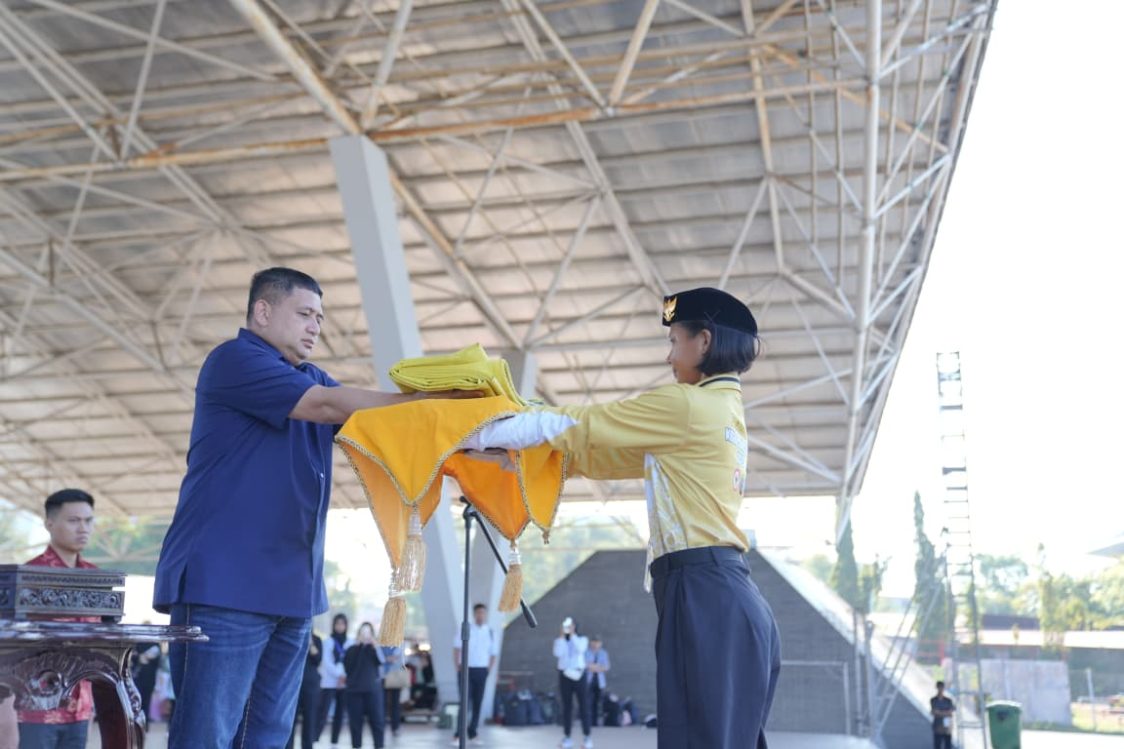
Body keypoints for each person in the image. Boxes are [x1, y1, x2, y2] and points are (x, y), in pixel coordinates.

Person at [152, 268, 474, 748]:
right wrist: (430, 403)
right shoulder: (235, 360)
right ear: (262, 311)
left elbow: (381, 432)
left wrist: (478, 437)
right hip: (225, 586)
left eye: (320, 318)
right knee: (207, 737)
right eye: (304, 313)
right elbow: (326, 406)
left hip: (293, 594)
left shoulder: (312, 378)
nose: (315, 327)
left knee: (268, 737)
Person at [462, 287, 782, 749]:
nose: (670, 356)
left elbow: (583, 423)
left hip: (703, 593)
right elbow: (599, 458)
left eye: (675, 341)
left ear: (704, 342)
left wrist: (479, 431)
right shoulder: (722, 411)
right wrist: (509, 454)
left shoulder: (687, 406)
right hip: (724, 594)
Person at [17, 488, 99, 749]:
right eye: (73, 520)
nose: (83, 528)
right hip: (34, 708)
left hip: (82, 707)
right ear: (49, 524)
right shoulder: (27, 577)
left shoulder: (97, 578)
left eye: (88, 520)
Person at [451, 603, 496, 746]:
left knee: (478, 702)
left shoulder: (490, 632)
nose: (480, 615)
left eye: (483, 613)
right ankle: (458, 734)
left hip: (481, 670)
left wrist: (488, 669)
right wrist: (457, 666)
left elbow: (493, 654)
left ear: (486, 614)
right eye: (478, 613)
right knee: (464, 702)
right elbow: (457, 649)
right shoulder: (465, 628)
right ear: (474, 614)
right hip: (466, 670)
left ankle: (473, 732)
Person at [344, 623, 386, 749]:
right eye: (363, 632)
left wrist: (375, 646)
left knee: (377, 722)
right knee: (355, 724)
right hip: (354, 691)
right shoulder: (352, 649)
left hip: (373, 691)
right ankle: (356, 746)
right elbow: (348, 667)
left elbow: (382, 661)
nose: (366, 636)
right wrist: (358, 646)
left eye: (368, 633)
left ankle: (379, 746)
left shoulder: (375, 649)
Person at [553, 617, 592, 749]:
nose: (568, 628)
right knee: (567, 707)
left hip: (579, 674)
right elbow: (557, 653)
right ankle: (567, 736)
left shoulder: (582, 639)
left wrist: (572, 635)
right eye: (566, 626)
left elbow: (580, 649)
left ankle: (587, 737)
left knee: (584, 706)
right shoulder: (560, 640)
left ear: (575, 627)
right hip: (565, 675)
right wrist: (562, 637)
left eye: (571, 626)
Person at [318, 613, 350, 746]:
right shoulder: (328, 641)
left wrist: (344, 676)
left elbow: (350, 661)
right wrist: (339, 675)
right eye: (337, 623)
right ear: (334, 625)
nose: (340, 626)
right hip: (329, 682)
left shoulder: (350, 642)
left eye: (342, 624)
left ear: (346, 626)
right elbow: (326, 661)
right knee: (323, 712)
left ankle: (334, 741)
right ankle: (315, 737)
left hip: (344, 683)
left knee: (340, 713)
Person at [287, 630, 322, 749]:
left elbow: (318, 659)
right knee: (290, 719)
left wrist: (311, 643)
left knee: (310, 718)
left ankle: (307, 746)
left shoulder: (317, 640)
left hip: (311, 686)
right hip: (294, 684)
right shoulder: (293, 635)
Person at [132, 641, 163, 731]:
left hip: (149, 679)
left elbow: (157, 660)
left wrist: (142, 657)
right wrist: (140, 657)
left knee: (146, 701)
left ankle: (144, 725)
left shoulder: (155, 644)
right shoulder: (138, 643)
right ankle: (136, 725)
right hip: (138, 678)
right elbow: (133, 656)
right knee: (137, 702)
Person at [584, 636, 610, 727]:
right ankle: (588, 721)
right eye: (594, 642)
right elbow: (585, 665)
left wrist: (593, 667)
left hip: (600, 681)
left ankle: (595, 722)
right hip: (588, 681)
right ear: (590, 643)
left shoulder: (603, 653)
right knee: (588, 702)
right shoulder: (586, 652)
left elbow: (606, 667)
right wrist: (598, 667)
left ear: (600, 643)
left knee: (598, 702)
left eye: (597, 642)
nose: (595, 644)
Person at [381, 643, 405, 738]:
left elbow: (397, 658)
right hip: (382, 676)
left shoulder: (399, 644)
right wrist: (388, 659)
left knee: (395, 703)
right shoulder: (380, 643)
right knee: (382, 703)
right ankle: (381, 725)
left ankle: (395, 727)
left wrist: (386, 659)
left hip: (395, 676)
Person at [930, 681, 955, 749]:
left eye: (942, 687)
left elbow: (950, 712)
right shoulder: (934, 700)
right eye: (939, 687)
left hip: (947, 726)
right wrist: (945, 712)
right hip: (938, 726)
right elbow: (934, 711)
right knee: (937, 745)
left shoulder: (948, 700)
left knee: (948, 745)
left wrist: (940, 712)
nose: (940, 689)